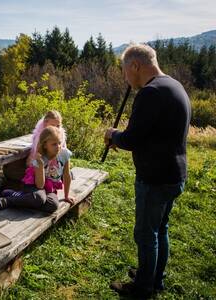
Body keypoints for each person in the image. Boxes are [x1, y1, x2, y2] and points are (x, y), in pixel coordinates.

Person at [104, 44, 191, 298]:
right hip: (175, 174)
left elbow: (131, 139)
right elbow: (155, 134)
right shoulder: (174, 86)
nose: (125, 78)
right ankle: (154, 277)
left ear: (135, 66)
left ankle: (142, 288)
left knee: (145, 234)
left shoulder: (150, 93)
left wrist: (113, 135)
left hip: (155, 178)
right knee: (160, 229)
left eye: (124, 71)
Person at [0, 126, 75, 213]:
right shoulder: (39, 159)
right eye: (54, 144)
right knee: (39, 198)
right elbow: (40, 185)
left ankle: (22, 197)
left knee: (53, 205)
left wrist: (66, 196)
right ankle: (7, 201)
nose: (58, 147)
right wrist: (41, 165)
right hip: (33, 185)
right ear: (45, 145)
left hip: (49, 188)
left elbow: (66, 175)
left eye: (59, 143)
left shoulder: (64, 154)